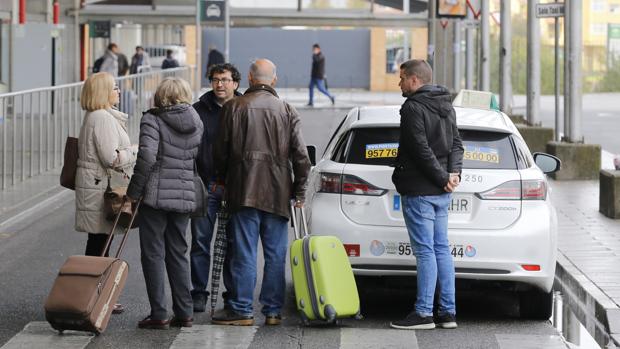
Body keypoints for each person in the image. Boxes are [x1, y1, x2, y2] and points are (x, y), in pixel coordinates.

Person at [212, 59, 311, 326]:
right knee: (275, 254)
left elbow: (219, 153)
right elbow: (302, 158)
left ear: (249, 79)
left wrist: (222, 180)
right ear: (274, 81)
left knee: (244, 253)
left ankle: (242, 309)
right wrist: (299, 191)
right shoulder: (286, 110)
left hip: (242, 190)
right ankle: (273, 311)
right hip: (278, 193)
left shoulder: (233, 107)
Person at [389, 59, 464, 330]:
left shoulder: (413, 107)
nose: (399, 83)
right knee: (441, 249)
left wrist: (445, 177)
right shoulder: (446, 104)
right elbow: (457, 144)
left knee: (425, 252)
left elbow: (420, 149)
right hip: (442, 192)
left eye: (402, 78)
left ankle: (423, 313)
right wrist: (452, 174)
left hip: (420, 190)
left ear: (414, 80)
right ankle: (447, 312)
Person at [126, 77, 203, 329]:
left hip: (155, 198)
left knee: (153, 254)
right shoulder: (196, 120)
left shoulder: (153, 119)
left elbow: (146, 156)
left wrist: (134, 191)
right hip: (183, 194)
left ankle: (159, 313)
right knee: (179, 252)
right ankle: (185, 312)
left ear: (161, 95)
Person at [75, 72, 137, 314]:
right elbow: (112, 157)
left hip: (97, 186)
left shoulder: (99, 116)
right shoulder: (101, 118)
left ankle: (94, 294)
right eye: (114, 87)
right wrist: (134, 150)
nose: (118, 91)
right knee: (100, 243)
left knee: (100, 241)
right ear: (103, 92)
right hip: (101, 189)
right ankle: (93, 295)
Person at [190, 63, 242, 313]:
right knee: (200, 241)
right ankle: (198, 292)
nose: (220, 84)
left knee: (233, 243)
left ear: (235, 83)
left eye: (225, 79)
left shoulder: (245, 108)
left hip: (237, 188)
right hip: (206, 184)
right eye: (215, 79)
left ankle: (231, 294)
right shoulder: (198, 111)